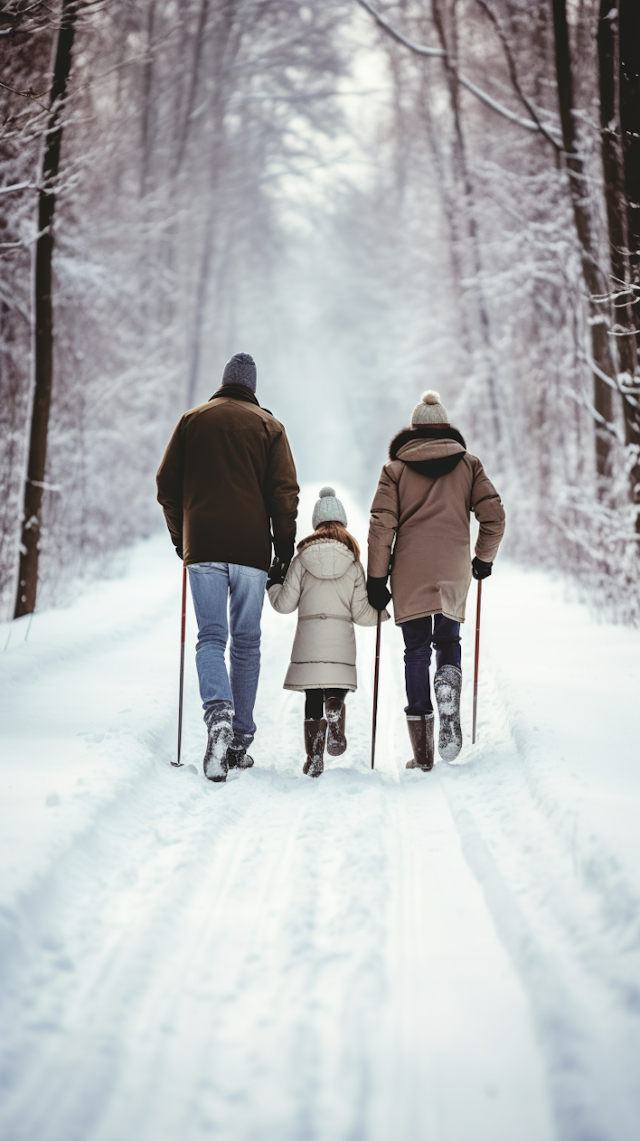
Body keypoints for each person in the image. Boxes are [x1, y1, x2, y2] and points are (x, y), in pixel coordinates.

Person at [156, 352, 299, 782]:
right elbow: (285, 495)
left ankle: (217, 713)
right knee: (246, 643)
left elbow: (166, 487)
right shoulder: (270, 427)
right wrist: (283, 551)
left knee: (211, 638)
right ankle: (238, 740)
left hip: (203, 549)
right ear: (253, 388)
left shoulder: (192, 421)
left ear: (223, 383)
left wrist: (183, 539)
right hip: (252, 551)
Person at [367, 390, 505, 772]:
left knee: (415, 651)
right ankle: (448, 686)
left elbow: (381, 528)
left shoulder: (394, 470)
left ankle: (424, 751)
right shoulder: (469, 465)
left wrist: (377, 580)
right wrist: (482, 559)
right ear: (447, 429)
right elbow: (494, 518)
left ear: (412, 432)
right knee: (448, 641)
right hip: (453, 569)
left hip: (411, 572)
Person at [267, 487, 387, 778]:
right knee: (334, 686)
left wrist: (272, 584)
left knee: (311, 697)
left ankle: (314, 759)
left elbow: (284, 605)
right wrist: (383, 611)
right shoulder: (353, 564)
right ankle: (336, 705)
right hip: (340, 644)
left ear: (316, 523)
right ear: (342, 523)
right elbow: (362, 615)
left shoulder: (301, 560)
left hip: (309, 643)